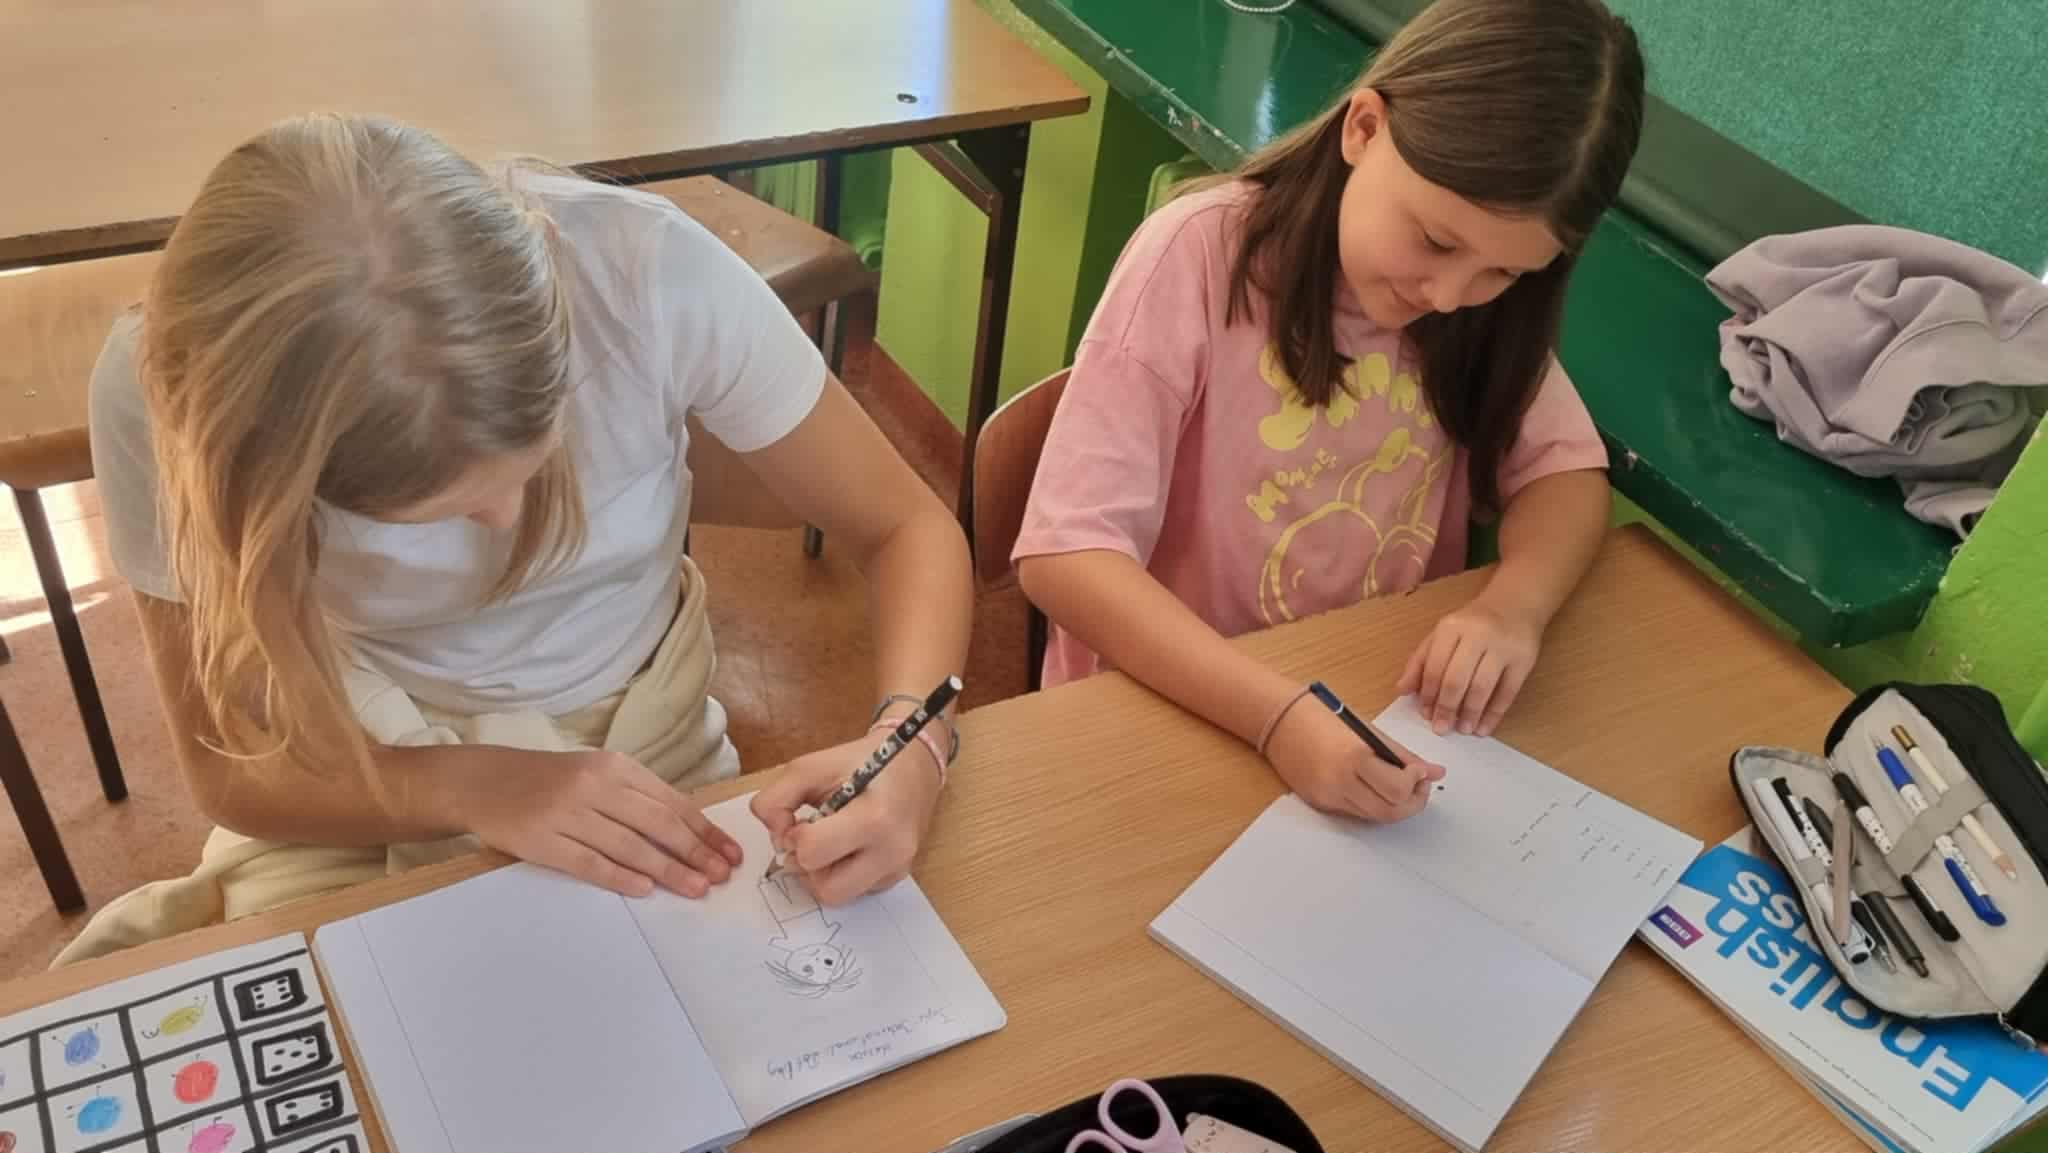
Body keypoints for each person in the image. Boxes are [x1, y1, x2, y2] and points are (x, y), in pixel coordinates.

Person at [64, 113, 969, 963]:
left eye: (535, 463)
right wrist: (469, 785)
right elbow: (228, 773)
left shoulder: (644, 275)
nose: (504, 523)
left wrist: (914, 743)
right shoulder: (168, 400)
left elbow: (907, 525)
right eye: (440, 512)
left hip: (642, 731)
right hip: (356, 766)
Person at [1013, 0, 1643, 822]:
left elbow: (1566, 475)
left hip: (1358, 709)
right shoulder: (1199, 257)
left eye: (1504, 273)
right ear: (1364, 129)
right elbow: (1065, 556)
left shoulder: (1483, 310)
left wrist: (1511, 609)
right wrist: (1275, 717)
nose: (1448, 295)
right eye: (1437, 242)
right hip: (1164, 713)